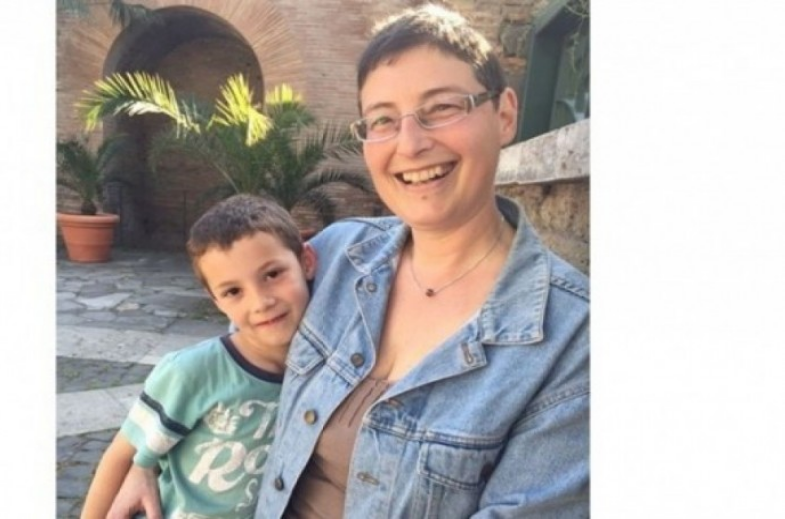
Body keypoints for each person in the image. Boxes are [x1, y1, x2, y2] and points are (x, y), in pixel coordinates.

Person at [113, 3, 589, 517]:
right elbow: (245, 354)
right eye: (383, 120)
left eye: (442, 108)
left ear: (505, 115)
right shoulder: (339, 254)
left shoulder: (571, 340)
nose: (411, 143)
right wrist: (150, 455)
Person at [79, 194, 317, 519]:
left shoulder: (329, 373)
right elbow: (121, 456)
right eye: (233, 291)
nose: (261, 302)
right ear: (216, 300)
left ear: (306, 262)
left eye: (273, 274)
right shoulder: (192, 371)